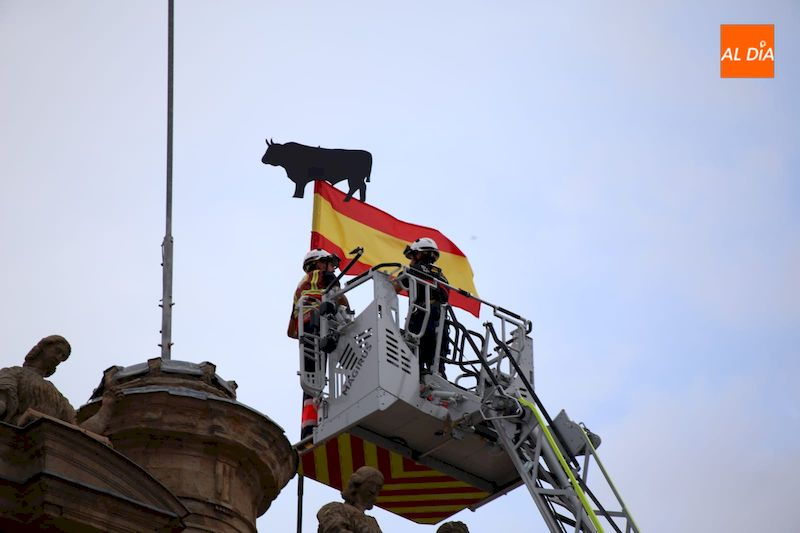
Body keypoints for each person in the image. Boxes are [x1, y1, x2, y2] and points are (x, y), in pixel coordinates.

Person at [0, 335, 118, 435]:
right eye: (57, 351)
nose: (58, 358)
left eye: (62, 357)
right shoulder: (13, 373)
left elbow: (80, 433)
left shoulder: (57, 396)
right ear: (42, 349)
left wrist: (107, 405)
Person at [288, 248, 350, 440]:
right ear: (318, 263)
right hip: (317, 327)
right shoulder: (320, 275)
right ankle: (319, 421)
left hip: (307, 332)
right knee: (319, 377)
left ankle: (309, 427)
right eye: (329, 262)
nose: (332, 267)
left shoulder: (302, 286)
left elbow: (292, 328)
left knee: (312, 382)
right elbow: (341, 299)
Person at [397, 237, 450, 376]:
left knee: (415, 359)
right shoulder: (441, 275)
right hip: (441, 321)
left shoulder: (414, 269)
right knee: (437, 363)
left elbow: (395, 286)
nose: (411, 260)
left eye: (412, 256)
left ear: (419, 254)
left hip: (421, 318)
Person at [317, 465, 384, 533]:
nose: (373, 490)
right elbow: (333, 528)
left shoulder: (373, 523)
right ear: (357, 483)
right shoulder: (336, 508)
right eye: (371, 483)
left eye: (378, 487)